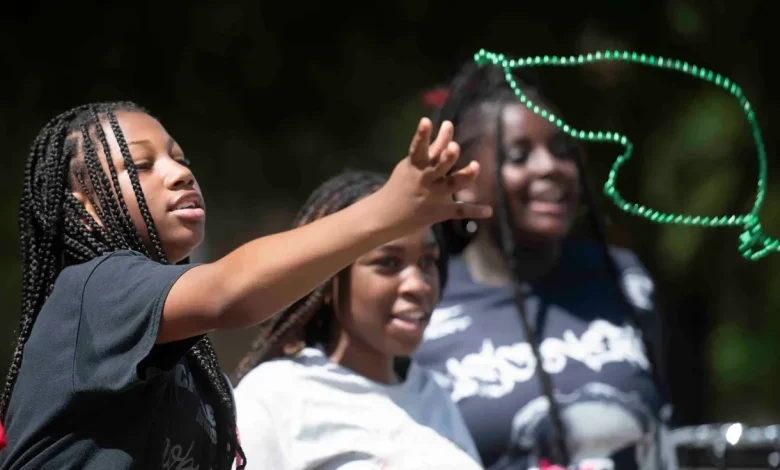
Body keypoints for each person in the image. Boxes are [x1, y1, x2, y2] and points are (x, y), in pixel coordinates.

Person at [0, 101, 491, 470]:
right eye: (142, 166)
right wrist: (389, 210)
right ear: (83, 204)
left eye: (180, 158)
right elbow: (231, 291)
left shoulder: (180, 357)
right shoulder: (93, 291)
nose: (179, 174)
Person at [412, 62, 678, 470]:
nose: (549, 167)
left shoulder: (623, 277)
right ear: (463, 180)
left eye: (562, 150)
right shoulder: (424, 302)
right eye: (518, 156)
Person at [231, 169, 484, 470]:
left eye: (428, 261)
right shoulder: (275, 395)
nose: (418, 284)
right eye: (388, 263)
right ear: (327, 277)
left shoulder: (432, 395)